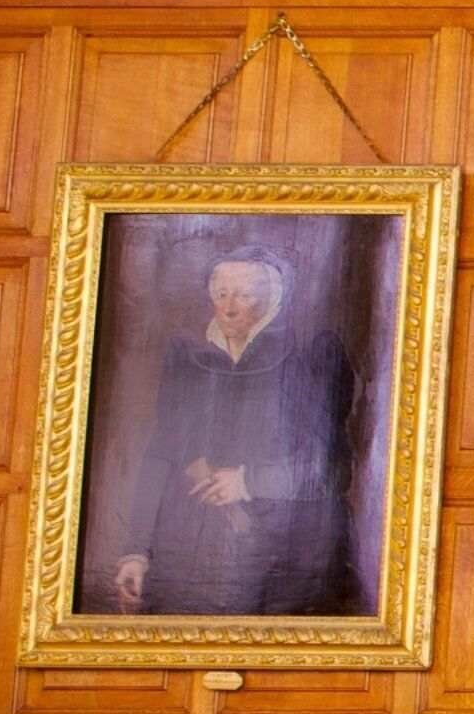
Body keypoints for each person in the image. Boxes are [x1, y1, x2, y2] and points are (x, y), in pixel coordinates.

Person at [105, 251, 360, 617]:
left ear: (274, 299)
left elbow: (332, 470)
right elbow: (160, 455)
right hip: (191, 562)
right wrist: (136, 551)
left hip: (286, 566)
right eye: (221, 293)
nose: (228, 307)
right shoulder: (186, 358)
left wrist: (248, 481)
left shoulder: (311, 355)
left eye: (245, 294)